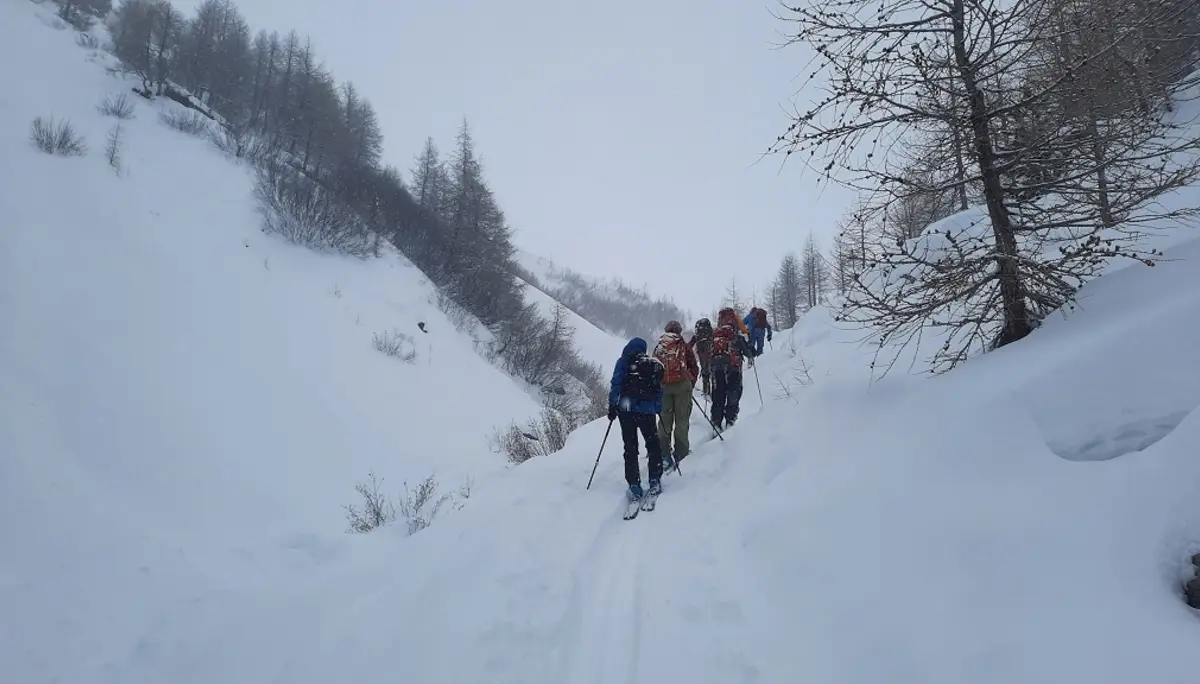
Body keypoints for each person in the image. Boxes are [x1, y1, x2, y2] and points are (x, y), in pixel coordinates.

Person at [607, 338, 665, 500]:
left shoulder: (623, 362)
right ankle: (654, 479)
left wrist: (613, 406)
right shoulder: (650, 364)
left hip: (627, 412)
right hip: (647, 412)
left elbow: (616, 384)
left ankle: (634, 484)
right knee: (653, 444)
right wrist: (657, 408)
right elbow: (658, 389)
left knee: (630, 447)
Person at [653, 320, 698, 469]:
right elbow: (693, 365)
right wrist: (690, 383)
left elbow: (654, 367)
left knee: (664, 422)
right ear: (679, 331)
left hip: (664, 387)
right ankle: (681, 453)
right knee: (682, 420)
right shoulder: (682, 344)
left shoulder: (659, 346)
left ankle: (664, 454)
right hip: (682, 386)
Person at [710, 307, 754, 431]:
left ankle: (716, 421)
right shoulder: (736, 337)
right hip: (734, 368)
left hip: (717, 369)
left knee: (718, 394)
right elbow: (749, 353)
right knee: (733, 393)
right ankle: (730, 420)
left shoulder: (715, 336)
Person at [690, 317, 714, 396]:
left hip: (702, 355)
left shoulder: (697, 335)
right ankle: (714, 390)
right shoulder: (712, 333)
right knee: (713, 373)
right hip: (712, 354)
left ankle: (706, 391)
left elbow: (689, 346)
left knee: (705, 372)